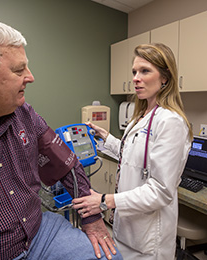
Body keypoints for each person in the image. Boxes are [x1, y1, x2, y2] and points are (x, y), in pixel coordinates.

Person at [0, 15, 123, 260]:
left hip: (40, 232)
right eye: (19, 70)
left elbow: (66, 163)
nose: (30, 77)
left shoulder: (24, 113)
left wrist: (92, 218)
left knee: (110, 256)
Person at [72, 43, 193, 260]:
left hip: (148, 238)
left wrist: (104, 200)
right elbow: (132, 157)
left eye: (145, 71)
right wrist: (106, 138)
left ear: (165, 78)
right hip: (126, 227)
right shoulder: (140, 117)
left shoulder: (171, 122)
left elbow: (161, 190)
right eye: (134, 72)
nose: (136, 77)